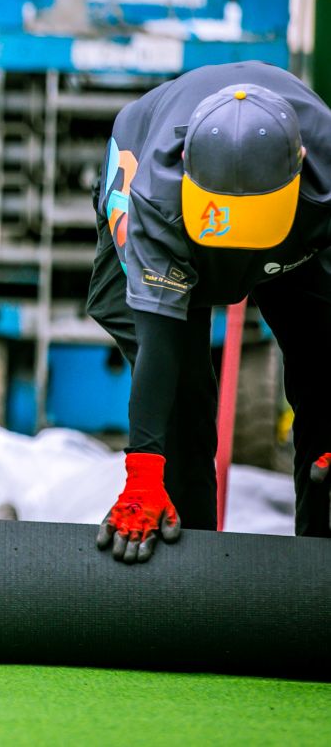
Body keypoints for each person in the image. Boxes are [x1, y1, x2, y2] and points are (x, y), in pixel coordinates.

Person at [87, 61, 331, 563]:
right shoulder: (154, 195)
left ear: (303, 160)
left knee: (323, 378)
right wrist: (142, 475)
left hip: (297, 231)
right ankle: (192, 575)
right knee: (181, 399)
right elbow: (159, 345)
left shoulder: (326, 175)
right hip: (181, 224)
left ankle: (318, 559)